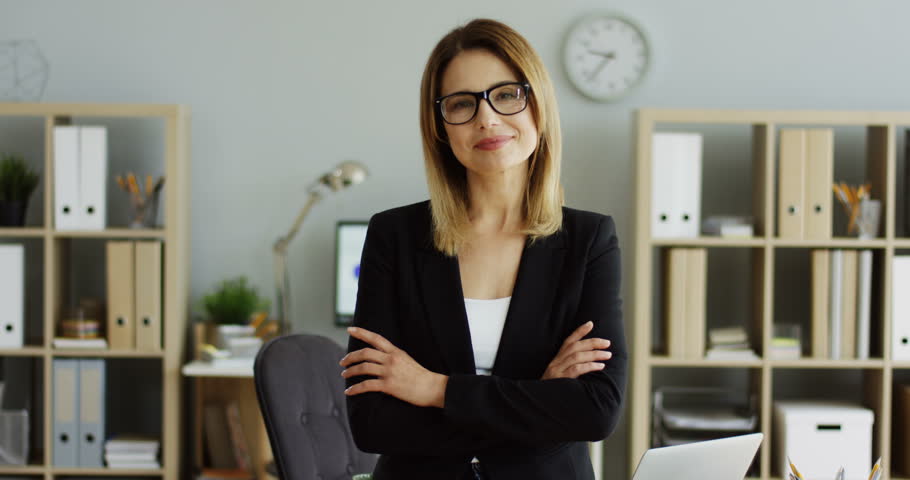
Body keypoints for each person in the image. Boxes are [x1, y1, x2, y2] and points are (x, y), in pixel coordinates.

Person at [340, 18, 626, 480]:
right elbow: (373, 425)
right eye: (461, 104)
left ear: (539, 106)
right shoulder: (393, 236)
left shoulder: (589, 240)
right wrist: (538, 398)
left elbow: (597, 411)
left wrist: (434, 389)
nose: (487, 118)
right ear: (440, 128)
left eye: (507, 94)